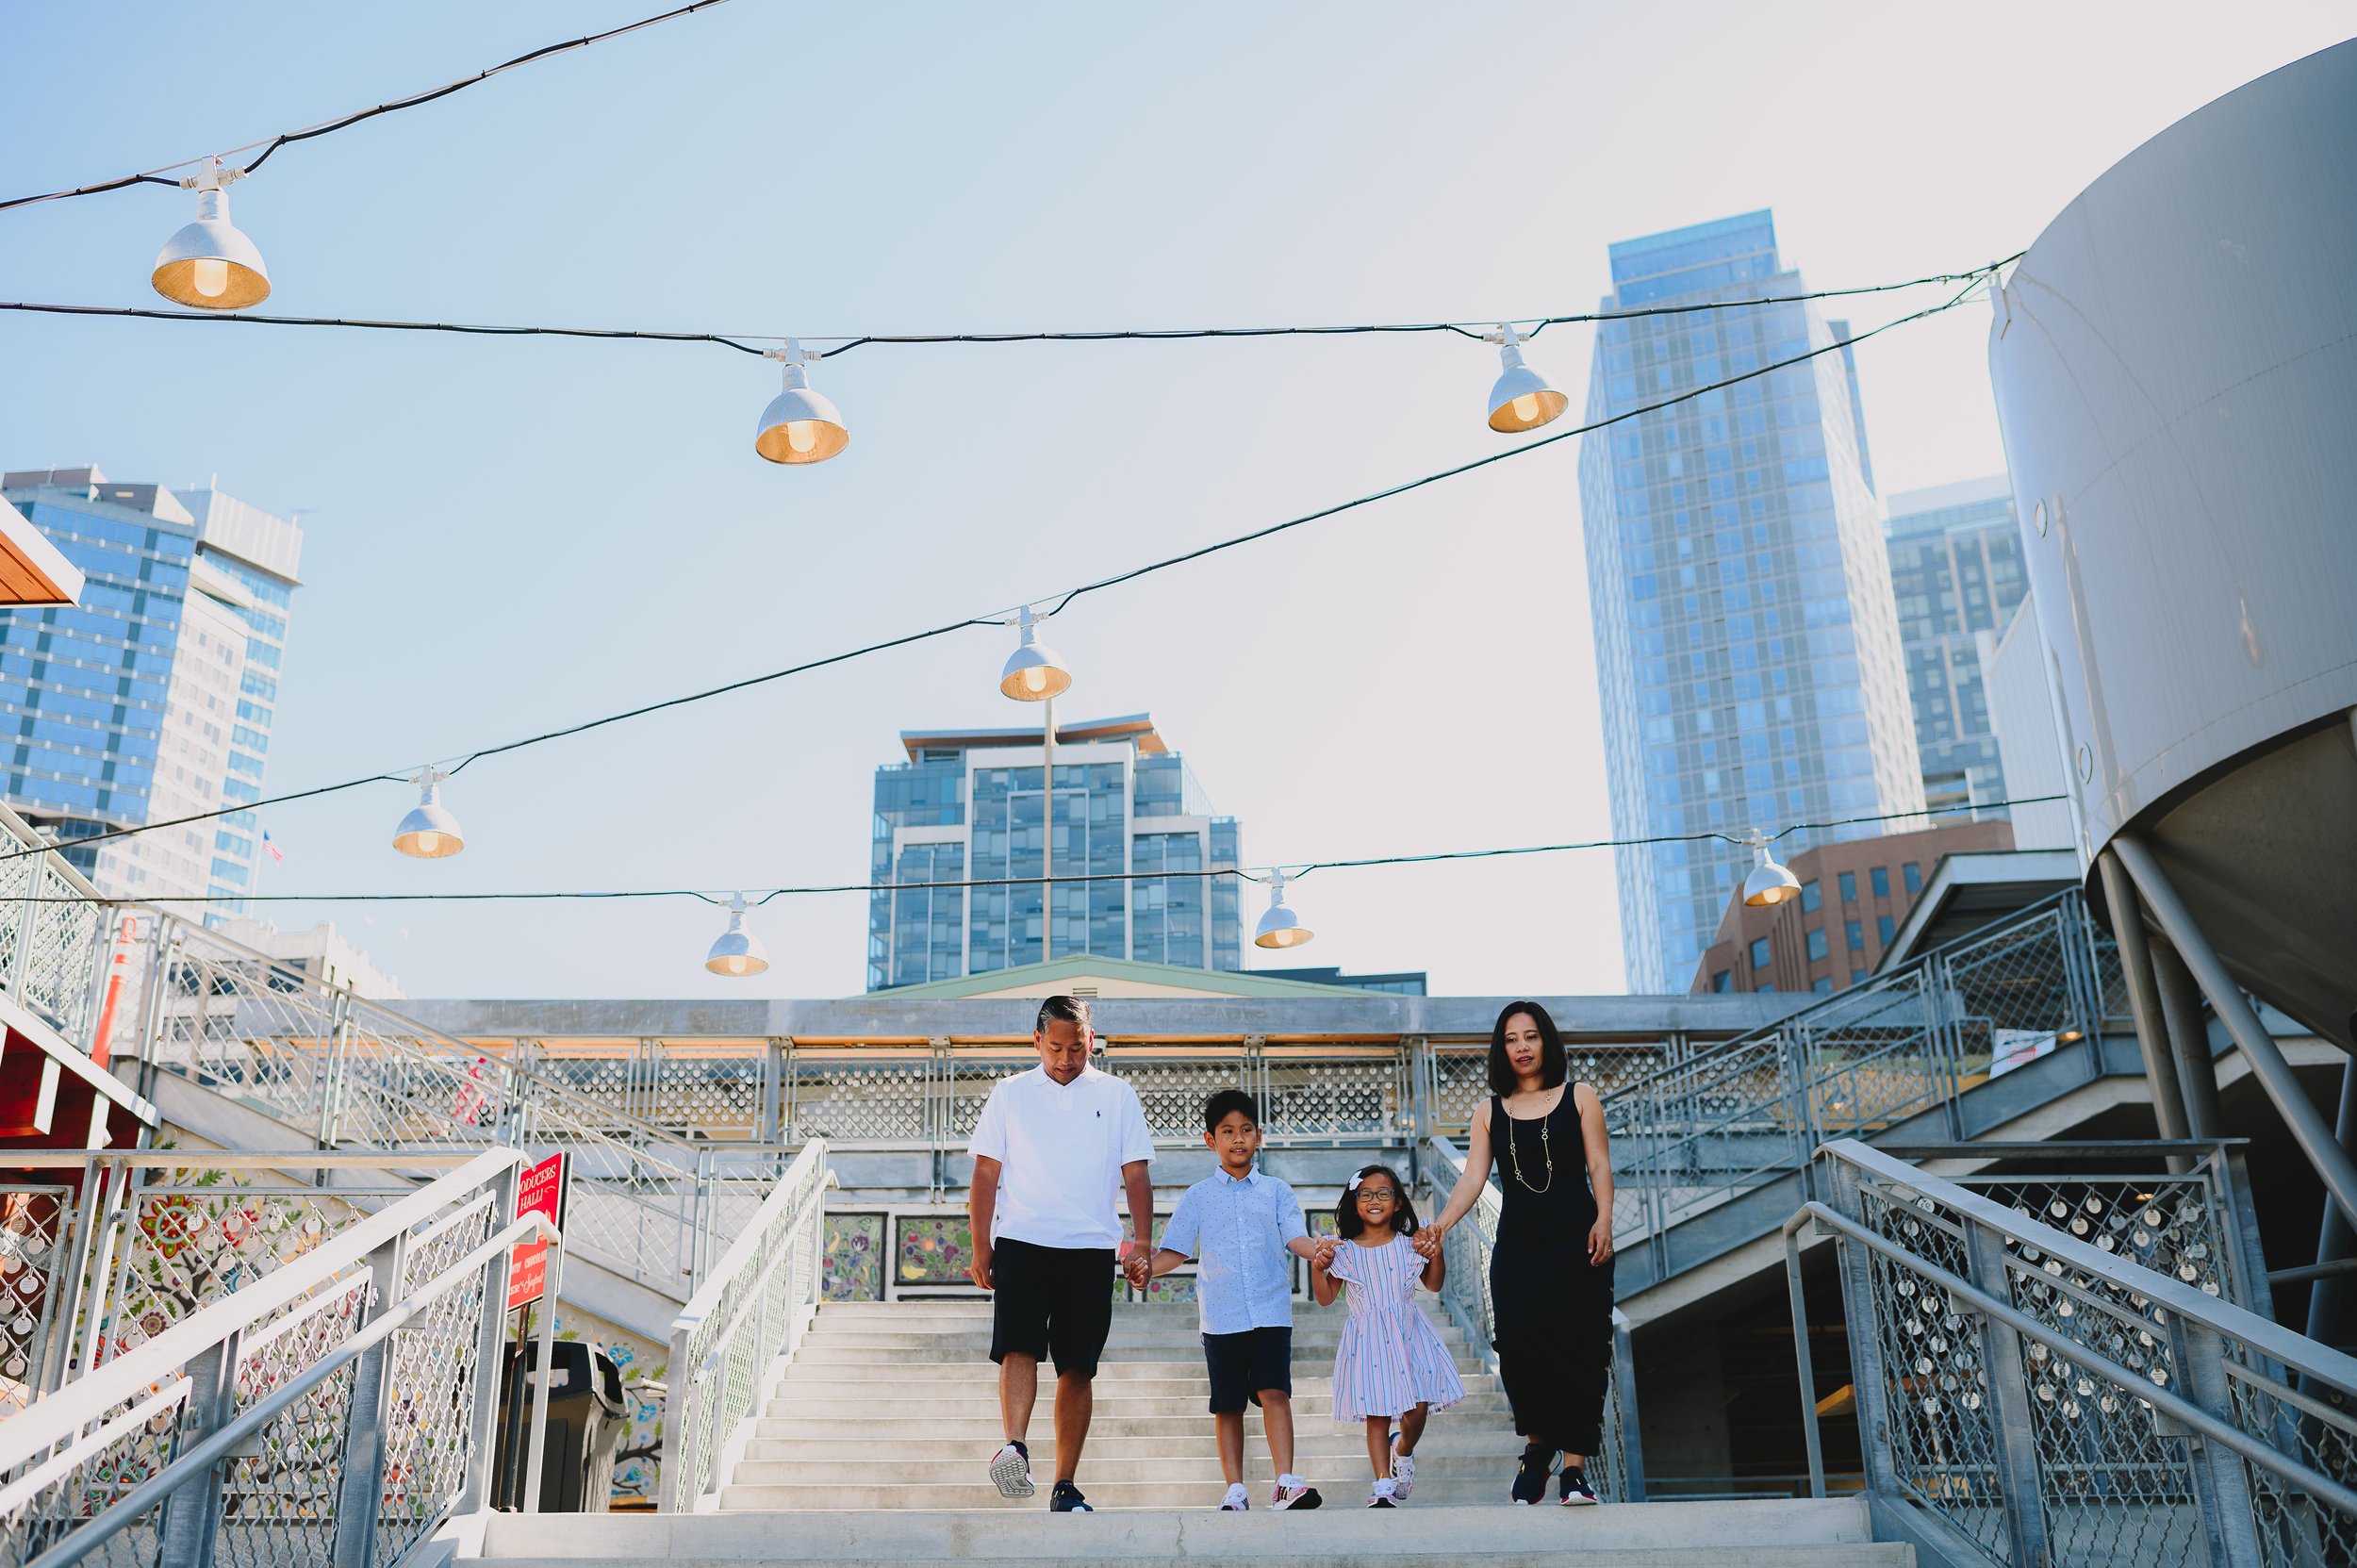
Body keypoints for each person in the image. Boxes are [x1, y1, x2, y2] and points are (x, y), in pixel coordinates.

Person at [1418, 1000, 1616, 1505]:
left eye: (1530, 1036)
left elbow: (1599, 1164)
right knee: (1520, 1346)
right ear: (1500, 1049)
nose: (1521, 1047)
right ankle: (1536, 1448)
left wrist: (1605, 1220)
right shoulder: (1489, 1111)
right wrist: (1439, 1225)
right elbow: (1472, 1177)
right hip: (1519, 1247)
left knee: (1581, 1349)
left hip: (1578, 1241)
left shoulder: (1581, 1097)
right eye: (1511, 1039)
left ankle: (1573, 1468)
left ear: (1545, 1041)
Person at [966, 994, 1156, 1513]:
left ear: (1091, 1041)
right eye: (1055, 1048)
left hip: (1091, 1246)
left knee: (1078, 1366)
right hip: (1023, 1239)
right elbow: (985, 1172)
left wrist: (1140, 1243)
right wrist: (981, 1244)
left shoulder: (1118, 1094)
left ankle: (1065, 1484)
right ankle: (1015, 1446)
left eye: (1077, 1047)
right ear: (1036, 1042)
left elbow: (1136, 1172)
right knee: (1018, 1346)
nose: (1066, 1058)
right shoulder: (1009, 1094)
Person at [1146, 1088, 1326, 1511]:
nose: (1238, 1139)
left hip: (1269, 1311)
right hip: (1221, 1317)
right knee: (1226, 1406)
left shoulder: (1278, 1190)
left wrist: (1318, 1249)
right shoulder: (1198, 1196)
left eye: (1246, 1129)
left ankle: (1285, 1482)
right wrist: (1145, 1267)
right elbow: (1174, 1250)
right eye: (1228, 1131)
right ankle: (1235, 1489)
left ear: (1259, 1136)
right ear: (1211, 1140)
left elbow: (1294, 1236)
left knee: (1274, 1392)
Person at [1309, 1163, 1464, 1508]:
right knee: (1377, 1414)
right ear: (1354, 1202)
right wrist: (1318, 1267)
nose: (1374, 1200)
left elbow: (1434, 1284)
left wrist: (1435, 1253)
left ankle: (1403, 1451)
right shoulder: (1344, 1251)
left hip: (1409, 1331)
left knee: (1418, 1406)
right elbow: (1324, 1298)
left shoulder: (1412, 1243)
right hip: (1368, 1338)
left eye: (1383, 1193)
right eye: (1365, 1194)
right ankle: (1382, 1483)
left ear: (1397, 1202)